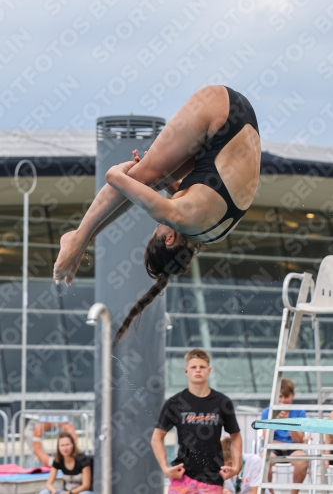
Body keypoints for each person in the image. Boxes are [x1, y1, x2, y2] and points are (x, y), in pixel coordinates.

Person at [53, 85, 260, 343]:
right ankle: (78, 240)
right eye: (158, 227)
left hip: (240, 124)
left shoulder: (208, 233)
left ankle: (82, 239)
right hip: (220, 109)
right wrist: (128, 172)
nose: (159, 223)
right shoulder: (179, 217)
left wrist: (151, 173)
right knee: (141, 178)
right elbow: (114, 178)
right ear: (170, 238)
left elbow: (180, 189)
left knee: (152, 179)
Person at [151, 348, 242, 493]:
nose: (198, 370)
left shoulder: (222, 402)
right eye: (193, 367)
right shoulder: (175, 403)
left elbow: (236, 436)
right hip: (182, 476)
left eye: (202, 367)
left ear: (209, 370)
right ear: (186, 370)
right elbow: (157, 437)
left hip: (212, 478)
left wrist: (236, 467)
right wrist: (165, 468)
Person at [261, 379, 308, 494]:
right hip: (275, 447)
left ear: (293, 395)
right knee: (262, 460)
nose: (282, 400)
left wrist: (287, 422)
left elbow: (299, 440)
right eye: (280, 396)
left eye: (286, 397)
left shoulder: (300, 412)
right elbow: (267, 438)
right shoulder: (267, 412)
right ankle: (270, 492)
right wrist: (274, 421)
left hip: (293, 447)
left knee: (303, 461)